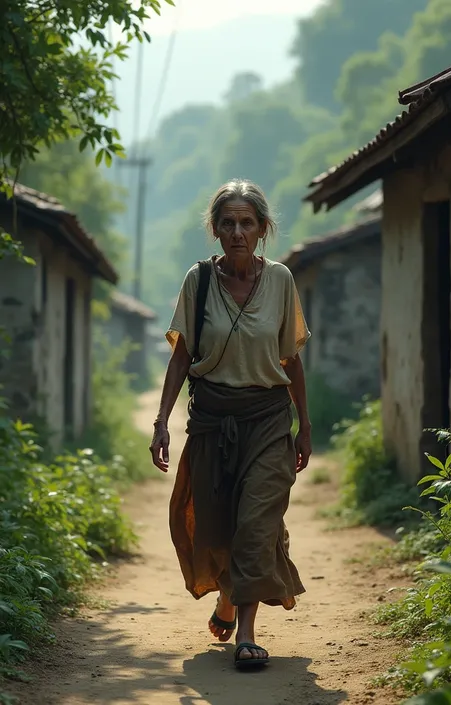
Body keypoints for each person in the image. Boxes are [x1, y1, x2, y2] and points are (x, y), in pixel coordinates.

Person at [149, 179, 312, 670]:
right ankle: (227, 598)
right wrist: (161, 421)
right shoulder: (198, 282)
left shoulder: (281, 279)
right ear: (215, 230)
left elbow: (291, 359)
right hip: (212, 422)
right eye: (228, 223)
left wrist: (304, 425)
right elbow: (182, 358)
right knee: (216, 529)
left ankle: (246, 634)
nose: (238, 231)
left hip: (266, 419)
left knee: (256, 524)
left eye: (247, 222)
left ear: (263, 229)